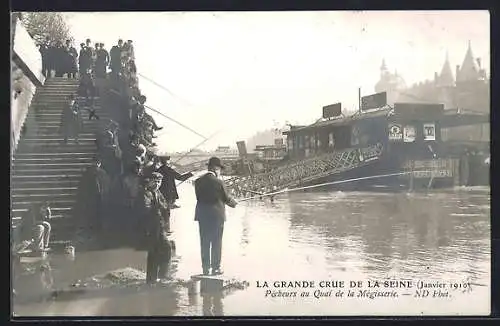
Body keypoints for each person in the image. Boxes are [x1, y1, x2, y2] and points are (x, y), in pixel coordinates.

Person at [194, 157, 237, 275]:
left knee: (204, 242)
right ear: (215, 168)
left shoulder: (197, 182)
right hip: (217, 216)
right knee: (216, 242)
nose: (220, 172)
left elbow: (199, 198)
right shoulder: (219, 182)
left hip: (202, 216)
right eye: (219, 170)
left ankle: (205, 269)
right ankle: (216, 268)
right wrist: (234, 203)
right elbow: (226, 198)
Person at [140, 172, 172, 284]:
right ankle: (153, 279)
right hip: (150, 227)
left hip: (159, 226)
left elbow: (165, 206)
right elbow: (145, 209)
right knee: (154, 252)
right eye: (155, 181)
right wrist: (158, 206)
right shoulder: (145, 193)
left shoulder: (157, 192)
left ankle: (161, 276)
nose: (157, 184)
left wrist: (161, 206)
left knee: (166, 249)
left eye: (159, 182)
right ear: (149, 181)